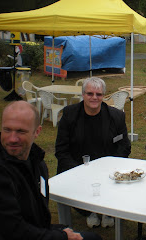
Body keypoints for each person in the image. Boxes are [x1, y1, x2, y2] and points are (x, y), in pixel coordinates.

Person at [0, 101, 102, 240]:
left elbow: (38, 217)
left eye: (20, 131)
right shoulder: (0, 171)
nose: (12, 138)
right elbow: (13, 230)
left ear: (37, 132)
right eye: (7, 130)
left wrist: (58, 231)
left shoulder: (37, 163)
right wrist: (62, 236)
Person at [55, 77, 131, 228]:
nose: (94, 98)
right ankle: (89, 211)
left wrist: (112, 167)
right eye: (90, 94)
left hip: (108, 169)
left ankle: (108, 212)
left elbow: (124, 146)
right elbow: (61, 149)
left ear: (104, 96)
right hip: (77, 166)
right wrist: (78, 170)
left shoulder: (116, 116)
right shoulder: (70, 115)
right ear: (83, 94)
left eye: (99, 94)